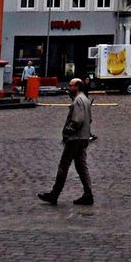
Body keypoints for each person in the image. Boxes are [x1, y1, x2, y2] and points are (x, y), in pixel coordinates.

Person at [38, 77, 94, 206]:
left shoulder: (78, 100)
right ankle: (88, 194)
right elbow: (89, 120)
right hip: (83, 137)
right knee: (81, 167)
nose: (69, 88)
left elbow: (77, 120)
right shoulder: (85, 99)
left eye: (71, 86)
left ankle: (54, 194)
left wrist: (67, 132)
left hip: (75, 139)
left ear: (77, 87)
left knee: (63, 166)